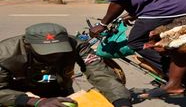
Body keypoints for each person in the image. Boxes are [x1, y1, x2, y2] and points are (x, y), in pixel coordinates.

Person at [0, 23, 132, 107]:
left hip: (59, 91)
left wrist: (121, 101)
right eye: (47, 53)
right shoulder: (4, 54)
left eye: (59, 50)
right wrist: (34, 101)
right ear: (28, 45)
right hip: (17, 97)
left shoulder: (77, 45)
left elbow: (101, 74)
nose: (55, 55)